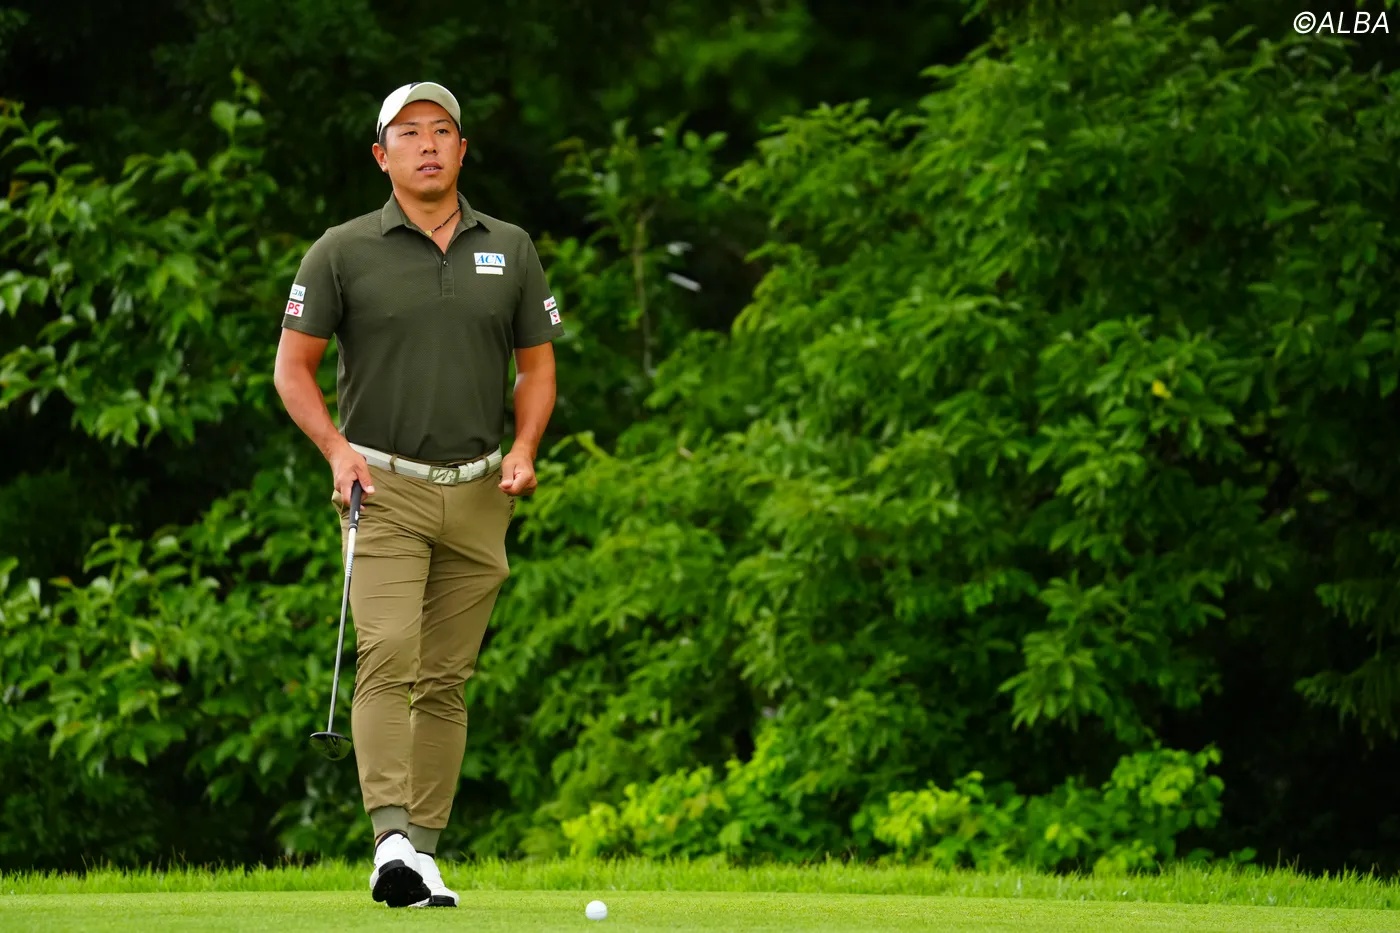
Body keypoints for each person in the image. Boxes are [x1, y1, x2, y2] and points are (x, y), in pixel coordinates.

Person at [273, 81, 564, 908]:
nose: (427, 144)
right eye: (408, 133)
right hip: (382, 484)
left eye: (442, 131)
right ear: (381, 155)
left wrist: (526, 448)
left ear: (463, 150)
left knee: (445, 678)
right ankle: (390, 837)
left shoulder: (509, 247)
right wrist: (335, 451)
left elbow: (537, 367)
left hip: (479, 490)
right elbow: (292, 369)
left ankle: (422, 854)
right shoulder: (342, 250)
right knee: (389, 651)